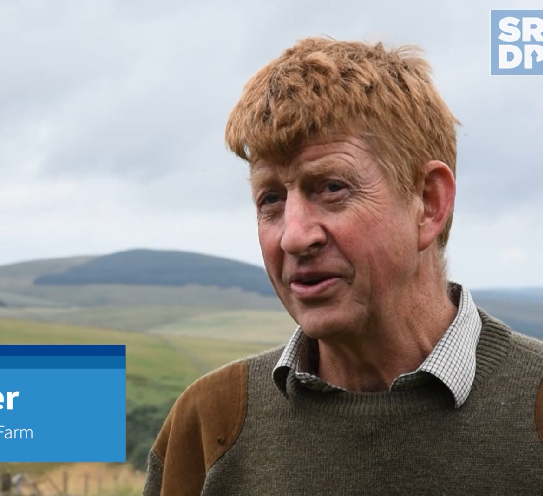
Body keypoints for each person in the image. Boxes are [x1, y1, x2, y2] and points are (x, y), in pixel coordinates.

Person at [143, 37, 543, 495]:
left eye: (331, 187)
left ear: (429, 203)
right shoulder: (209, 424)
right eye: (270, 198)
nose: (294, 235)